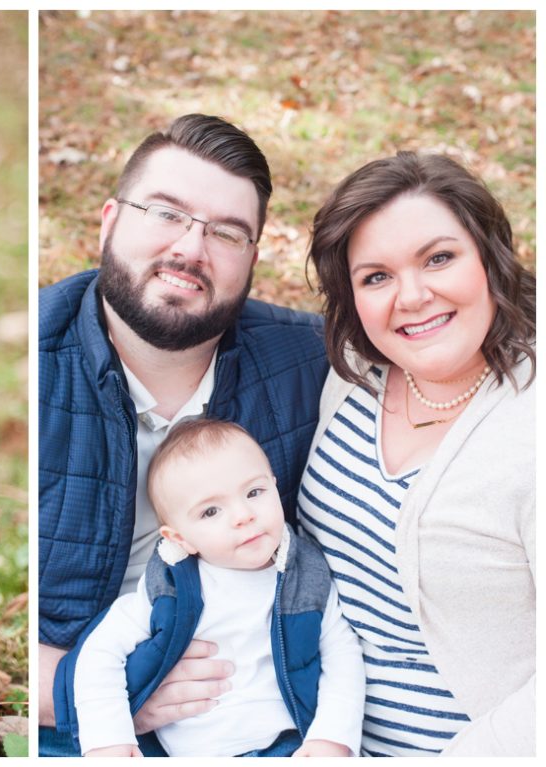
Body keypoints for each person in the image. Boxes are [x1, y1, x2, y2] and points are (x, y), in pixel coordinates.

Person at [38, 114, 329, 755]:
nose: (192, 250)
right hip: (72, 725)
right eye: (166, 213)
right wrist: (82, 696)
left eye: (226, 232)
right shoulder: (32, 360)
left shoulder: (311, 362)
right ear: (110, 219)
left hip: (272, 721)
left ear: (252, 258)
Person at [302, 152, 535, 756]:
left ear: (489, 258)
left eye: (439, 258)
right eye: (375, 276)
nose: (412, 296)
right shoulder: (354, 376)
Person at [71, 418, 364, 757]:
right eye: (211, 511)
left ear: (274, 484)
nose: (243, 515)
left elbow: (342, 654)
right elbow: (99, 652)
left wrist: (331, 738)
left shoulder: (305, 576)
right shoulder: (170, 590)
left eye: (254, 492)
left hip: (290, 745)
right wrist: (109, 739)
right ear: (180, 538)